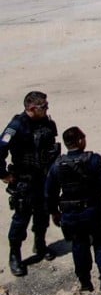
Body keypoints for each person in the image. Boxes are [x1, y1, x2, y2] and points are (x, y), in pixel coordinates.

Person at [45, 126, 101, 295]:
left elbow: (49, 192)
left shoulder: (57, 165)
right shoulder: (93, 160)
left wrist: (54, 212)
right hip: (94, 211)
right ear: (80, 141)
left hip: (71, 215)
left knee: (79, 246)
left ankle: (85, 282)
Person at [0, 91, 59, 277]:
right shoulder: (17, 126)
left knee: (43, 213)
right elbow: (0, 149)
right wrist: (3, 174)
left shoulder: (46, 122)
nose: (47, 109)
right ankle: (15, 255)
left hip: (44, 178)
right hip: (24, 180)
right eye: (44, 106)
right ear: (32, 108)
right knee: (21, 217)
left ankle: (40, 244)